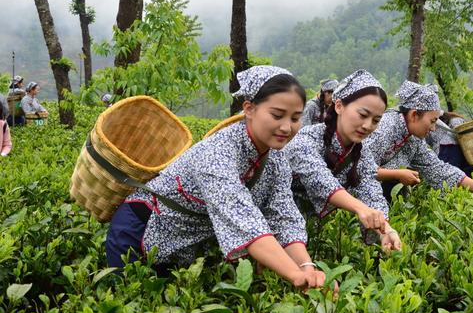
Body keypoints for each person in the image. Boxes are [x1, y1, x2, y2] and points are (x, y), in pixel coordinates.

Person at [106, 65, 327, 290]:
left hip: (182, 246)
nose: (287, 127)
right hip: (138, 234)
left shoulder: (276, 158)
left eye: (296, 118)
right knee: (130, 302)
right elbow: (245, 222)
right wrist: (294, 274)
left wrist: (306, 267)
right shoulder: (218, 153)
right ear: (249, 109)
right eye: (277, 115)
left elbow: (283, 216)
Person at [285, 69, 402, 251]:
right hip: (275, 224)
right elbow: (321, 180)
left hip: (307, 230)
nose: (367, 125)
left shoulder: (361, 154)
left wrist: (386, 229)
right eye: (363, 115)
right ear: (339, 106)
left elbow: (371, 193)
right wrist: (360, 208)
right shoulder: (307, 139)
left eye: (376, 120)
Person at [365, 81, 473, 202]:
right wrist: (397, 174)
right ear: (414, 115)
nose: (433, 128)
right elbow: (361, 168)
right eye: (432, 121)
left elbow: (437, 169)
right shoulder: (385, 128)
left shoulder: (413, 139)